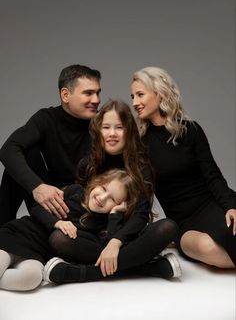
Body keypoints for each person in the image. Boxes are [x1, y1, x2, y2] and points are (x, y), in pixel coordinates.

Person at [44, 100, 181, 284]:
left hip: (127, 237)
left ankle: (81, 273)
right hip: (92, 236)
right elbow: (85, 206)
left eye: (119, 127)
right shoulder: (89, 163)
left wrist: (115, 242)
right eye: (106, 127)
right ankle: (149, 268)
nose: (112, 134)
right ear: (98, 131)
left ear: (129, 132)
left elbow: (141, 215)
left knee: (168, 227)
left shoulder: (141, 167)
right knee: (59, 239)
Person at [130, 66, 236, 269]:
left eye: (140, 95)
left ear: (159, 93)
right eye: (133, 96)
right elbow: (140, 194)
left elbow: (212, 175)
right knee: (208, 247)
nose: (135, 102)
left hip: (214, 203)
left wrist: (230, 206)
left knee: (230, 231)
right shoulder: (139, 143)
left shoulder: (191, 130)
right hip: (184, 222)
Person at [0, 169, 138, 291]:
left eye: (112, 200)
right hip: (17, 236)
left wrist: (115, 215)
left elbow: (106, 248)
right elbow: (36, 208)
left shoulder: (102, 224)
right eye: (103, 189)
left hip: (37, 254)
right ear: (97, 183)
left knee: (31, 279)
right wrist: (57, 222)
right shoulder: (76, 192)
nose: (102, 198)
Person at [0, 64, 101, 226]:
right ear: (65, 95)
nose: (96, 100)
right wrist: (37, 187)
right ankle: (2, 229)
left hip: (86, 204)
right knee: (25, 153)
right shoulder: (46, 119)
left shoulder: (103, 126)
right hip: (51, 199)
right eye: (88, 93)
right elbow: (8, 150)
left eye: (98, 93)